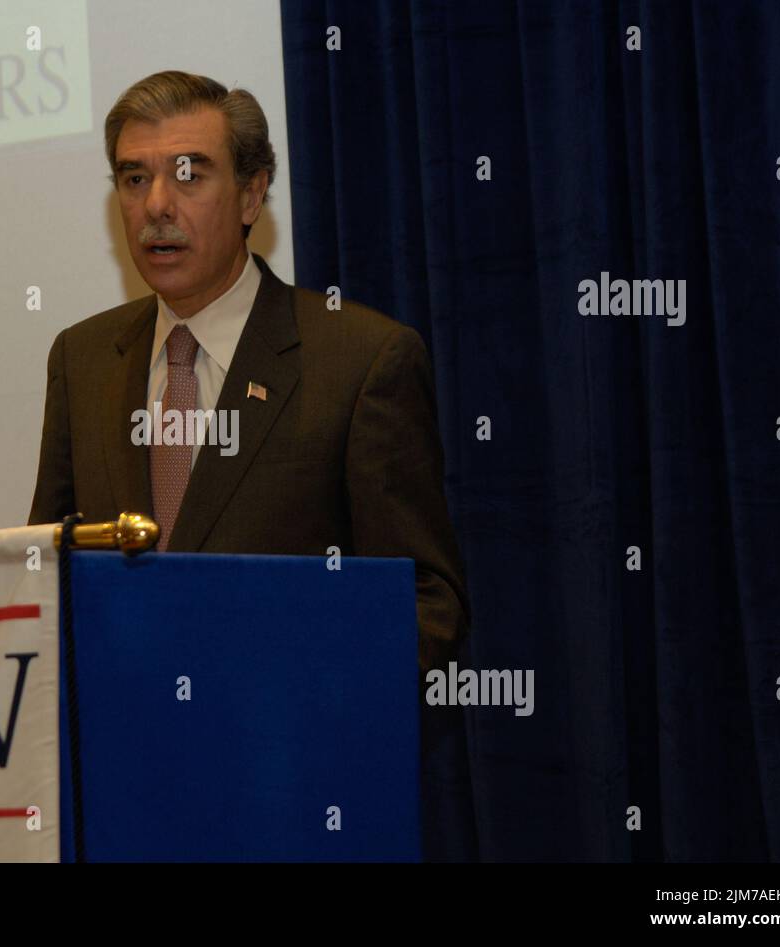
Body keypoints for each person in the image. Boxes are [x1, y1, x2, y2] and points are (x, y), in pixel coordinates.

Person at [28, 70, 469, 671]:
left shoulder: (363, 362)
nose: (157, 204)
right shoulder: (81, 359)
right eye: (135, 178)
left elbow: (426, 603)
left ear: (250, 195)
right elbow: (48, 574)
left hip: (286, 747)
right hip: (121, 745)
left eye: (189, 174)